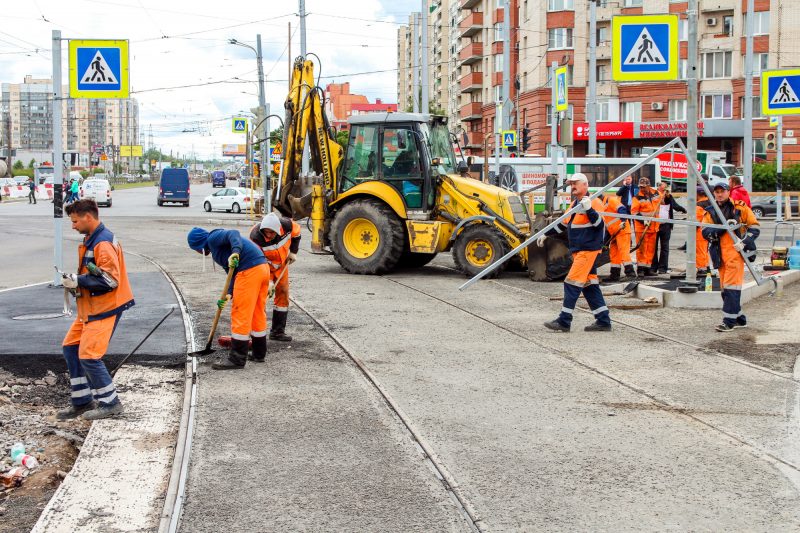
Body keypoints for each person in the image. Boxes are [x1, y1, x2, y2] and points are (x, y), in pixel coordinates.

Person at [56, 199, 134, 420]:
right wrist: (77, 282)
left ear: (87, 217)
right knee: (71, 347)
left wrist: (78, 280)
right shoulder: (92, 239)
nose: (73, 226)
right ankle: (82, 401)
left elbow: (110, 280)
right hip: (90, 308)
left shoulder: (103, 243)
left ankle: (111, 404)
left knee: (89, 356)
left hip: (104, 308)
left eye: (75, 221)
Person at [187, 227, 269, 369]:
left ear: (198, 244)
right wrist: (229, 294)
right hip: (262, 268)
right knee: (257, 312)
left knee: (240, 313)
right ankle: (258, 353)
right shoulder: (217, 251)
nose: (198, 252)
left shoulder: (212, 238)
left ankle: (236, 359)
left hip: (249, 270)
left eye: (195, 249)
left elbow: (233, 233)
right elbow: (232, 274)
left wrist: (235, 252)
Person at [541, 173, 611, 332]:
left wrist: (589, 209)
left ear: (585, 185)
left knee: (571, 282)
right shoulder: (574, 204)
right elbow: (563, 225)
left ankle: (564, 321)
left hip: (588, 250)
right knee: (589, 285)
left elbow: (600, 225)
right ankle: (603, 320)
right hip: (579, 251)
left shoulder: (594, 202)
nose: (572, 186)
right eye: (571, 184)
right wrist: (546, 234)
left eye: (575, 183)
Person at [701, 183, 759, 332]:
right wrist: (721, 229)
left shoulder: (739, 208)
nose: (720, 194)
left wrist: (744, 242)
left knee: (730, 288)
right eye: (717, 192)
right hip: (719, 254)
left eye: (722, 191)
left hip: (735, 253)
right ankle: (740, 319)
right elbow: (705, 232)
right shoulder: (709, 211)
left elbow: (755, 227)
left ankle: (729, 322)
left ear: (728, 192)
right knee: (724, 289)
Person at [249, 213, 301, 343]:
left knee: (283, 294)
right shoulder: (255, 237)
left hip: (281, 266)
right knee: (261, 299)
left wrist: (293, 252)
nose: (268, 235)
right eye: (266, 232)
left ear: (278, 230)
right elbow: (257, 259)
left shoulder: (287, 225)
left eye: (271, 233)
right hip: (263, 267)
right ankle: (255, 333)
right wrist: (269, 281)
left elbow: (297, 234)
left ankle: (277, 332)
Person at [600, 192, 635, 281]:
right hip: (614, 233)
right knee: (614, 254)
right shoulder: (602, 207)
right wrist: (605, 244)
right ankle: (615, 275)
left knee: (623, 253)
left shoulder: (611, 200)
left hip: (622, 230)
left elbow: (622, 209)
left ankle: (630, 274)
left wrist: (623, 221)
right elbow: (608, 226)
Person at [653, 182, 686, 273]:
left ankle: (662, 268)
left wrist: (683, 209)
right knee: (653, 247)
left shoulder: (669, 197)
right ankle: (653, 267)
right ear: (659, 187)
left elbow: (675, 206)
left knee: (665, 247)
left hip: (666, 224)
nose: (665, 189)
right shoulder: (654, 196)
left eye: (666, 188)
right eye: (663, 187)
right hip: (655, 224)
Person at [631, 177, 661, 277]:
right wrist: (643, 220)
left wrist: (667, 194)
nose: (642, 189)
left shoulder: (655, 193)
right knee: (642, 249)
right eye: (640, 187)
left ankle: (648, 268)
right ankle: (640, 269)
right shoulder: (637, 198)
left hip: (653, 227)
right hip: (642, 228)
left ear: (648, 185)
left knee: (651, 249)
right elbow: (634, 213)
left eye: (644, 187)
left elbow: (663, 199)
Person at [695, 177, 713, 276]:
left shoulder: (699, 205)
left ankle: (702, 268)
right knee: (705, 250)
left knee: (700, 251)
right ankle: (706, 267)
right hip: (708, 230)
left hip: (699, 232)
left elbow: (696, 221)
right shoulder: (710, 203)